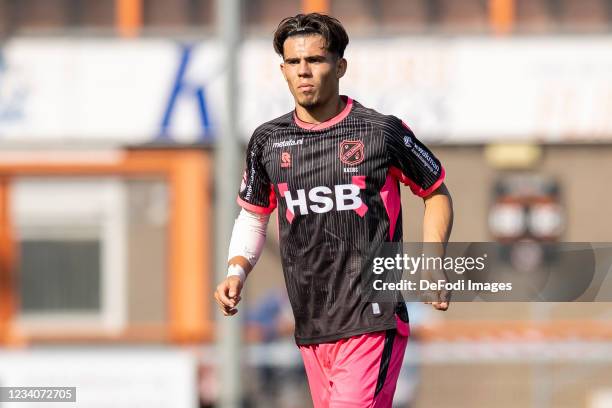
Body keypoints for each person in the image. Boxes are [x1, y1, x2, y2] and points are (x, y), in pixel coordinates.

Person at [214, 13, 453, 407]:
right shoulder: (268, 141)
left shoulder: (380, 132)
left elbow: (436, 192)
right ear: (283, 70)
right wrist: (236, 270)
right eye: (293, 63)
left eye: (315, 60)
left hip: (372, 318)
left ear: (340, 66)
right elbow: (255, 214)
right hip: (312, 325)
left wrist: (433, 258)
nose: (303, 71)